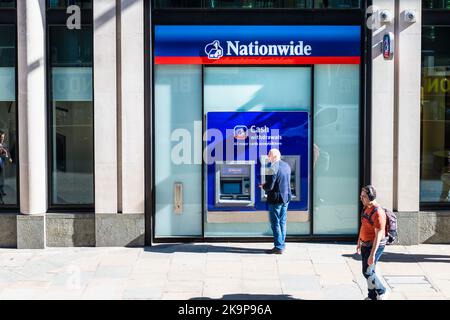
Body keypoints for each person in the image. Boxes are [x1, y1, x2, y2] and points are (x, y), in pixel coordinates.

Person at [356, 185, 390, 300]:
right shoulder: (366, 208)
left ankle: (382, 291)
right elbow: (363, 225)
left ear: (371, 197)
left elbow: (378, 236)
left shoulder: (378, 213)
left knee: (368, 272)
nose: (361, 199)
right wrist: (359, 241)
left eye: (364, 196)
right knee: (368, 271)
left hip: (374, 245)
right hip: (365, 243)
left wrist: (372, 254)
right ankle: (372, 296)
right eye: (361, 196)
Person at [259, 148, 292, 254]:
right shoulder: (286, 165)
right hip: (286, 198)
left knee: (275, 223)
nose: (268, 157)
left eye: (269, 155)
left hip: (276, 199)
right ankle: (282, 244)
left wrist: (263, 186)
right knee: (282, 222)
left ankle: (278, 247)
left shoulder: (272, 167)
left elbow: (270, 187)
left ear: (273, 156)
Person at [0, 131, 12, 200]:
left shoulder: (4, 144)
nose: (2, 139)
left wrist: (9, 158)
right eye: (1, 137)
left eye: (3, 137)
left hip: (2, 163)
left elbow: (7, 152)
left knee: (2, 177)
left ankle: (1, 190)